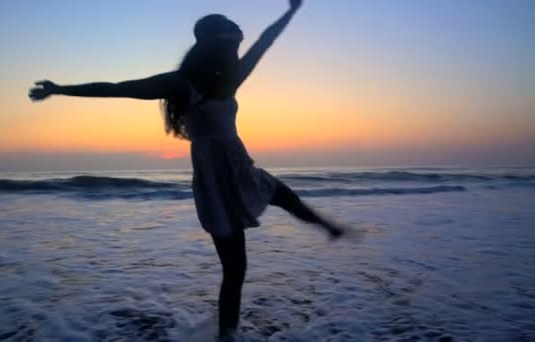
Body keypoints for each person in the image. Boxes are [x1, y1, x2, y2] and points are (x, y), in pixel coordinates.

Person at [30, 0, 360, 340]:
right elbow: (118, 89)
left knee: (286, 197)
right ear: (215, 44)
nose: (236, 51)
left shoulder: (230, 79)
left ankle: (328, 229)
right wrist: (59, 89)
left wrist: (290, 12)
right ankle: (226, 336)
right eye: (232, 44)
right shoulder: (180, 84)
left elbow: (266, 41)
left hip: (240, 170)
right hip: (215, 181)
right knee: (235, 268)